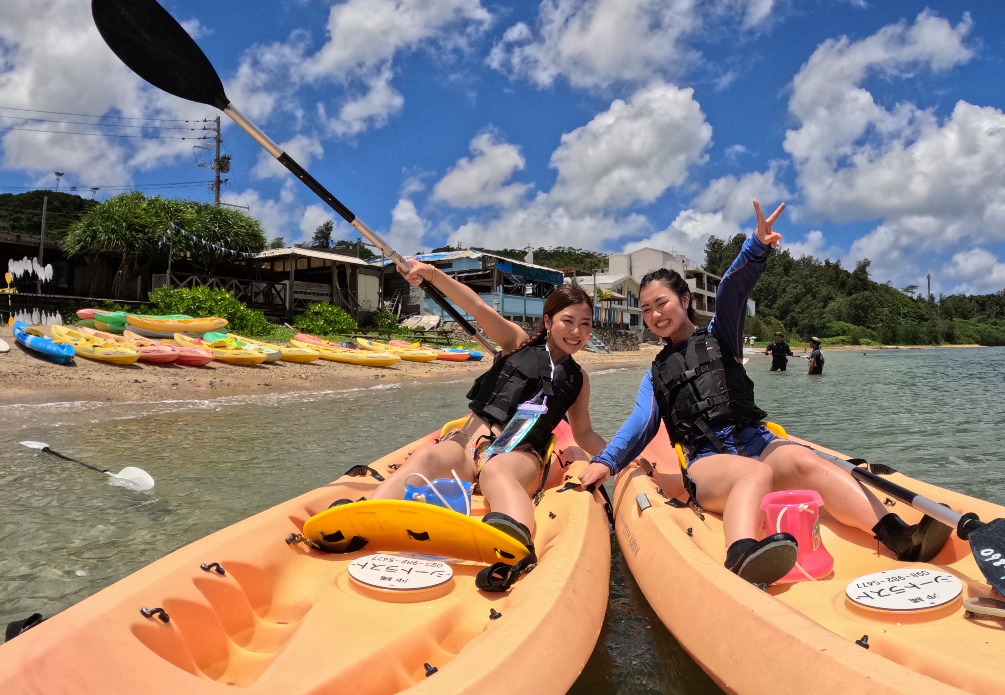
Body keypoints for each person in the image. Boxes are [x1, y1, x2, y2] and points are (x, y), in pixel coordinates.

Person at [577, 200, 949, 584]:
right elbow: (639, 425)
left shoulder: (721, 337)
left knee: (809, 463)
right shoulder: (656, 374)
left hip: (756, 441)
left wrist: (756, 248)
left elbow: (732, 291)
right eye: (647, 309)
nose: (656, 315)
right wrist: (606, 462)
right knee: (750, 474)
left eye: (663, 303)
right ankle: (740, 554)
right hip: (708, 463)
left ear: (685, 300)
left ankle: (900, 536)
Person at [372, 262, 606, 559]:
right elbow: (476, 305)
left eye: (586, 324)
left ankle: (513, 539)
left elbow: (583, 433)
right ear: (548, 321)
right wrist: (431, 274)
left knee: (496, 470)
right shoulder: (517, 342)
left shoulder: (578, 380)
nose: (577, 331)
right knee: (427, 456)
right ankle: (370, 515)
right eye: (568, 321)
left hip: (520, 459)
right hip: (468, 447)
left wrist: (621, 457)